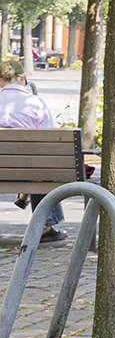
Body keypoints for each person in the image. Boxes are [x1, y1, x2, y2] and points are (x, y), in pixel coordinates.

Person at [0, 61, 67, 243]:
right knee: (41, 164)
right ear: (23, 78)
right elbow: (48, 141)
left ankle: (26, 194)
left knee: (37, 164)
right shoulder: (35, 102)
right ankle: (45, 226)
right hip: (30, 168)